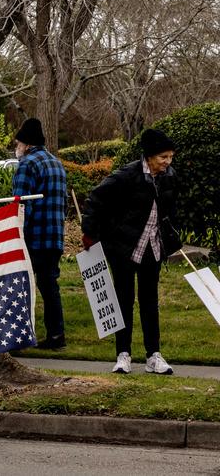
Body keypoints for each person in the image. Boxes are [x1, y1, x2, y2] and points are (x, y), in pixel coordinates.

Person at [81, 129, 181, 375]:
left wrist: (172, 233)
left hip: (153, 248)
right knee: (124, 299)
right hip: (124, 248)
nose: (167, 162)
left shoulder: (169, 177)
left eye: (170, 157)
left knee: (150, 302)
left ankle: (153, 355)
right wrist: (90, 233)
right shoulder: (126, 176)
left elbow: (172, 209)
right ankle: (123, 354)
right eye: (163, 157)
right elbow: (96, 199)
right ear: (149, 156)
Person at [11, 118, 67, 350]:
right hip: (54, 235)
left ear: (25, 143)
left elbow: (22, 205)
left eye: (18, 143)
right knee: (50, 286)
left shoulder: (27, 165)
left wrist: (16, 233)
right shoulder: (56, 163)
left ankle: (19, 337)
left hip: (34, 236)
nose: (17, 147)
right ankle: (56, 335)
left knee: (21, 286)